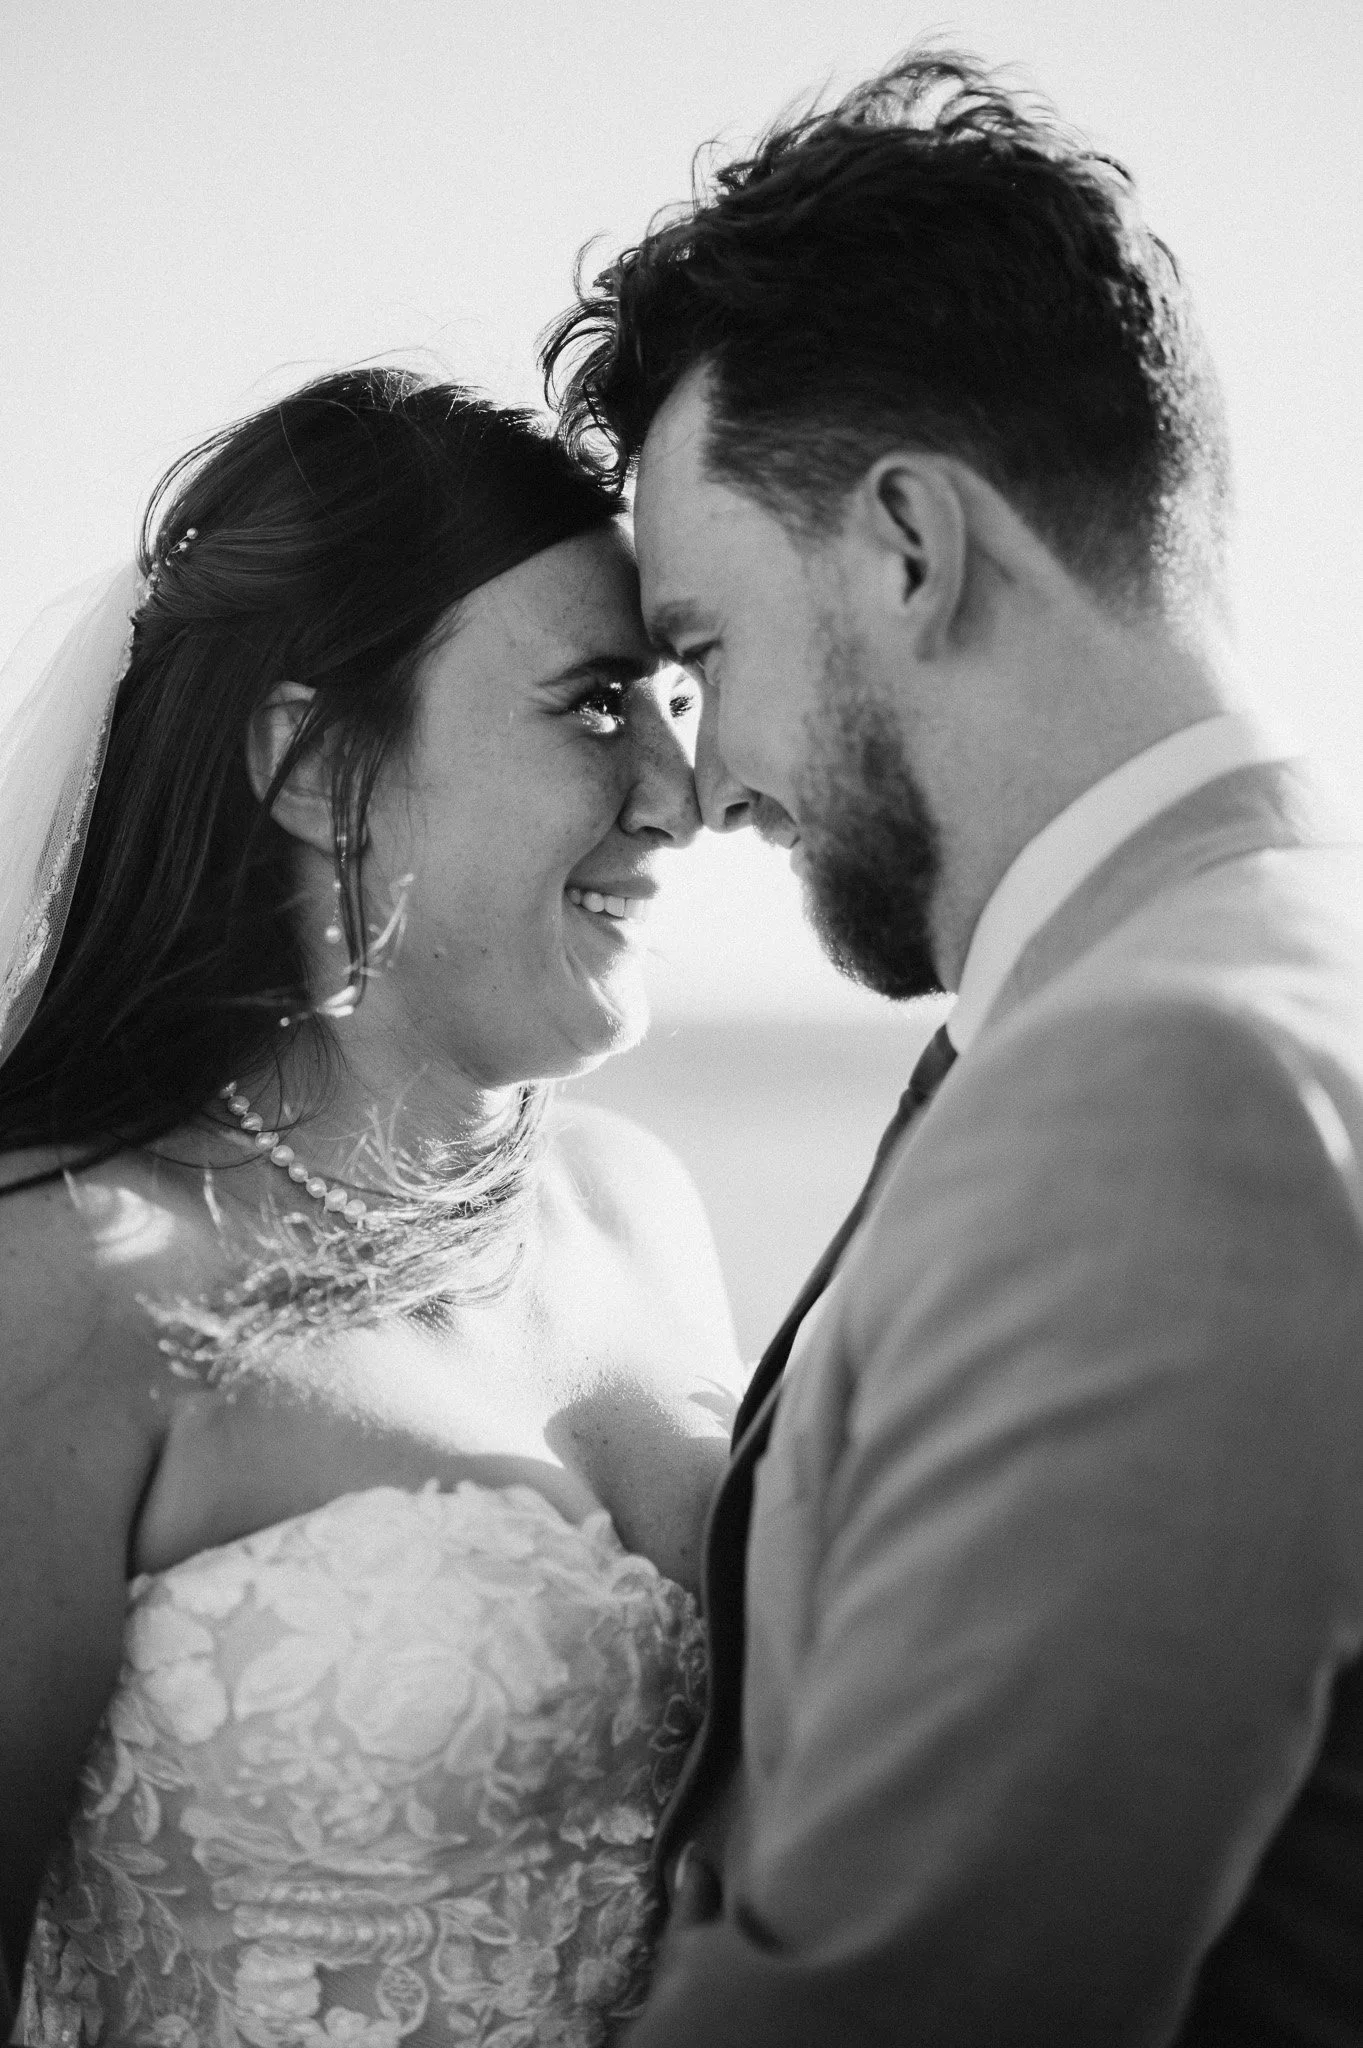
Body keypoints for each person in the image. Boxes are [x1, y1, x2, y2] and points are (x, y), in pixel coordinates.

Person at [542, 47, 1363, 2046]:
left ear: (910, 541)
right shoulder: (1226, 978)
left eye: (704, 650)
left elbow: (905, 1998)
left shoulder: (1165, 1092)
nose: (702, 781)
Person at [0, 367, 744, 2045]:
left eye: (673, 704)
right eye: (592, 705)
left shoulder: (641, 1212)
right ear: (319, 763)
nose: (680, 797)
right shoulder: (56, 1283)